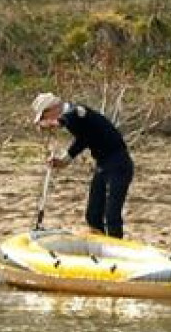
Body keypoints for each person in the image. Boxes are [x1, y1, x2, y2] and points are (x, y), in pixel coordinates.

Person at [33, 92, 134, 239]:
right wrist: (64, 160)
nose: (45, 120)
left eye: (44, 116)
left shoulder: (78, 111)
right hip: (103, 164)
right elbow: (83, 140)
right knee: (93, 215)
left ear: (52, 109)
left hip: (119, 163)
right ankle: (100, 244)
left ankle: (116, 248)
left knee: (112, 215)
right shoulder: (74, 122)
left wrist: (55, 123)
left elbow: (73, 116)